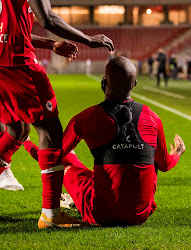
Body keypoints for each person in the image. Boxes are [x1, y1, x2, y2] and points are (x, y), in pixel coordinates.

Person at [24, 56, 186, 227]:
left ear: (103, 82)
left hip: (101, 214)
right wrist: (177, 154)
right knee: (140, 160)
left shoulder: (87, 118)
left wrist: (26, 142)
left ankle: (74, 200)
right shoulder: (153, 118)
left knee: (67, 161)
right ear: (134, 84)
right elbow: (165, 164)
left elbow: (51, 158)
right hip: (140, 215)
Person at [0, 0, 114, 228]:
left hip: (2, 64)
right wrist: (89, 39)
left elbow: (13, 33)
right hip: (17, 64)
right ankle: (51, 214)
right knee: (51, 131)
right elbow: (48, 19)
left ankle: (2, 164)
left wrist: (51, 44)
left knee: (18, 129)